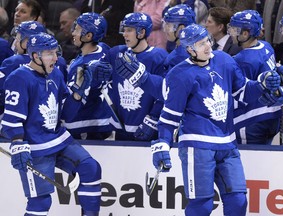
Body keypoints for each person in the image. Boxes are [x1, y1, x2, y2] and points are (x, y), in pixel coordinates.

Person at [149, 23, 283, 216]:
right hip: (197, 146)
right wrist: (163, 143)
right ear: (189, 49)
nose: (207, 46)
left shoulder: (224, 60)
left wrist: (262, 84)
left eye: (207, 41)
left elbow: (244, 92)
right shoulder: (179, 75)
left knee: (238, 201)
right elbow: (170, 117)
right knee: (202, 205)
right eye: (201, 44)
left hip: (227, 143)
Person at [1, 32, 101, 216]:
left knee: (91, 168)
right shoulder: (19, 78)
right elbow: (11, 118)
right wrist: (18, 143)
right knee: (40, 202)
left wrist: (77, 94)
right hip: (35, 146)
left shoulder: (55, 73)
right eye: (49, 53)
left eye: (56, 52)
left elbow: (66, 114)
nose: (55, 58)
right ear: (35, 56)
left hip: (58, 139)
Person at [107, 12, 168, 141]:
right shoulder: (116, 53)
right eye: (124, 30)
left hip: (146, 128)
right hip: (121, 127)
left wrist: (153, 119)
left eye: (129, 30)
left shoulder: (158, 57)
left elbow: (164, 93)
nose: (125, 34)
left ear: (141, 32)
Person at [227, 10, 281, 145]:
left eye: (235, 29)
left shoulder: (243, 60)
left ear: (245, 33)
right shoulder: (266, 46)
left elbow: (240, 95)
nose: (232, 33)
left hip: (251, 120)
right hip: (273, 115)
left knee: (249, 161)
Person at [63, 12, 113, 140]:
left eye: (78, 30)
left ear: (88, 36)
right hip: (103, 120)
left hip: (83, 125)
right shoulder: (103, 48)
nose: (73, 33)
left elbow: (74, 103)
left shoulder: (82, 69)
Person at [162, 4, 196, 71]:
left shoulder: (180, 57)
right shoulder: (191, 47)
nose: (165, 29)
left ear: (181, 28)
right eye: (165, 24)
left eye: (169, 25)